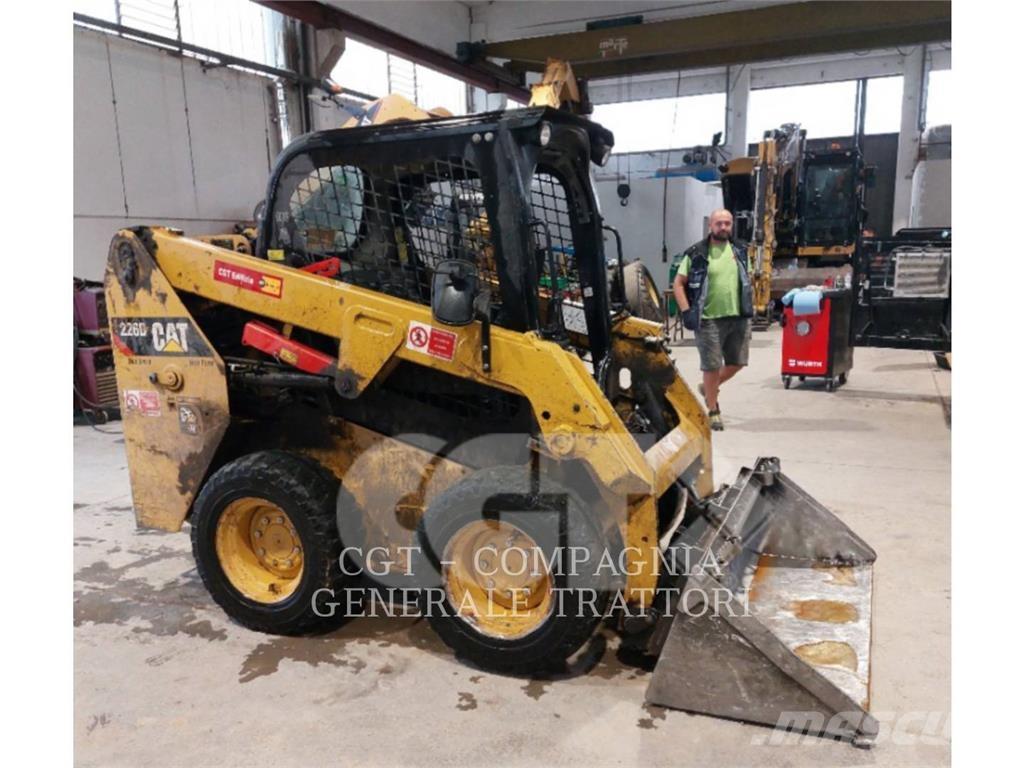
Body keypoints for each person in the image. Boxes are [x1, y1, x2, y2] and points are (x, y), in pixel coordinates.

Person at [671, 209, 753, 431]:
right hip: (708, 320)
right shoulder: (696, 253)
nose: (723, 227)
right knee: (712, 366)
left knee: (738, 363)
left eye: (727, 223)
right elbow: (678, 284)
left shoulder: (741, 250)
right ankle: (713, 409)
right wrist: (686, 311)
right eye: (719, 223)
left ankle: (707, 388)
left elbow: (746, 281)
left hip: (738, 317)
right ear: (710, 226)